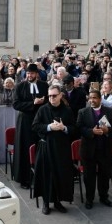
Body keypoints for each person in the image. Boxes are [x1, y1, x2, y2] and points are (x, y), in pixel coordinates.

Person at [32, 85, 76, 215]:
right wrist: (49, 127)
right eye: (50, 96)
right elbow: (35, 126)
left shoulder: (67, 111)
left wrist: (64, 128)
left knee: (61, 175)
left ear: (60, 95)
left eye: (54, 95)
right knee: (47, 176)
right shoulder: (42, 109)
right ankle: (46, 202)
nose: (51, 98)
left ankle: (57, 201)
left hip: (62, 148)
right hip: (46, 148)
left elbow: (74, 128)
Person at [77, 89, 112, 208]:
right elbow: (79, 128)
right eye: (90, 98)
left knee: (104, 175)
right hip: (88, 150)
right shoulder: (83, 112)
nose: (92, 100)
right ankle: (89, 199)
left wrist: (108, 130)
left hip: (105, 149)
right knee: (88, 176)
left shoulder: (110, 112)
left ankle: (104, 197)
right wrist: (91, 131)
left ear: (100, 99)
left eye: (94, 98)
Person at [12, 62, 47, 188]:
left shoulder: (43, 85)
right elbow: (16, 104)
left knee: (40, 147)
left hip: (40, 120)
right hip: (25, 121)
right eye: (27, 73)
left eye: (31, 73)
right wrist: (33, 103)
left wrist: (43, 101)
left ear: (36, 74)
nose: (29, 75)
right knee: (25, 149)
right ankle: (25, 179)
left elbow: (49, 100)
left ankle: (40, 177)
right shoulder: (20, 86)